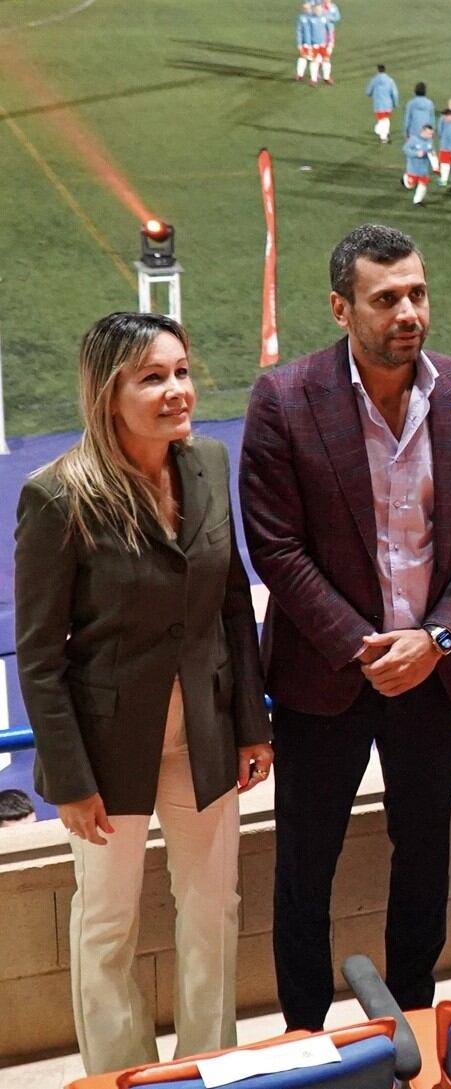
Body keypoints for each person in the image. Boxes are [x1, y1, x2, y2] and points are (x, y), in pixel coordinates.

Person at [240, 224, 451, 1029]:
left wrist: (439, 639)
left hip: (435, 676)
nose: (408, 311)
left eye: (417, 293)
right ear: (341, 307)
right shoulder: (285, 398)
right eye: (386, 297)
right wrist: (366, 648)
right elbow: (275, 547)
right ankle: (307, 1033)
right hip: (328, 681)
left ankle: (414, 1022)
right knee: (304, 871)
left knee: (424, 859)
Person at [14, 312, 272, 1074]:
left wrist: (252, 724)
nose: (176, 390)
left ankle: (208, 1064)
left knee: (212, 913)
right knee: (106, 925)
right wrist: (69, 778)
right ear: (108, 392)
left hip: (206, 729)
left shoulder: (209, 462)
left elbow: (233, 603)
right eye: (152, 377)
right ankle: (122, 1073)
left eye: (182, 371)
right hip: (105, 751)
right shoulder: (59, 496)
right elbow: (39, 655)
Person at [364, 64, 399, 143]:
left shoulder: (374, 80)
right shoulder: (390, 80)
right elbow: (395, 93)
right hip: (388, 105)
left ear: (377, 70)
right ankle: (385, 133)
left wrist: (370, 94)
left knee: (382, 120)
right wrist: (395, 103)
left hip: (378, 105)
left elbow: (368, 92)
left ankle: (383, 137)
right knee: (385, 119)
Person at [294, 1, 326, 85]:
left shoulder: (315, 17)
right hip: (306, 42)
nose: (306, 8)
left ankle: (314, 77)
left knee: (315, 59)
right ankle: (300, 74)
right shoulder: (302, 17)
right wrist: (300, 43)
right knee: (303, 57)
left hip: (313, 43)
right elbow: (299, 31)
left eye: (307, 6)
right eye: (304, 7)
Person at [403, 124, 435, 206]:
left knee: (423, 185)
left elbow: (432, 152)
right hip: (413, 168)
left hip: (424, 169)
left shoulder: (429, 141)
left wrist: (435, 165)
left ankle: (417, 201)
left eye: (432, 134)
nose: (431, 136)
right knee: (410, 185)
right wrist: (416, 153)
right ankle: (405, 179)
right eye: (429, 133)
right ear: (423, 132)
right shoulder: (413, 139)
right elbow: (405, 149)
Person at [435, 107, 451, 186]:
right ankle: (444, 179)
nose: (444, 119)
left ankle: (444, 180)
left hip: (447, 149)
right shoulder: (450, 125)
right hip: (446, 148)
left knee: (445, 164)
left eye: (445, 117)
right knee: (445, 164)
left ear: (449, 116)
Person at [320, 0, 340, 79]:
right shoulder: (319, 7)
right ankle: (322, 74)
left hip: (330, 33)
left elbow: (337, 17)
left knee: (328, 52)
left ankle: (325, 74)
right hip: (320, 33)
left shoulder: (333, 7)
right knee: (321, 54)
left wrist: (328, 17)